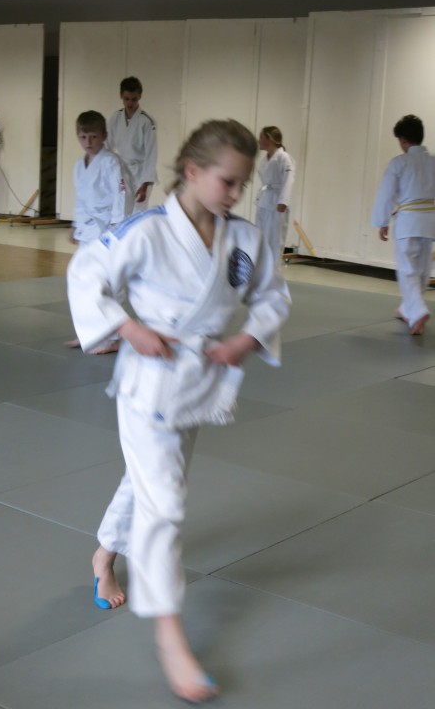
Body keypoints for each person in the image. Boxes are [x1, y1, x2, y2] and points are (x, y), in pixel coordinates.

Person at [67, 119, 290, 703]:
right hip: (148, 385)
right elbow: (86, 273)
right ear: (192, 171)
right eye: (227, 181)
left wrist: (247, 339)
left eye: (241, 184)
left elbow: (273, 295)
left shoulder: (243, 238)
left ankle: (103, 555)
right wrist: (127, 327)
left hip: (199, 385)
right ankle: (170, 635)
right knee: (164, 506)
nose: (235, 194)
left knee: (147, 484)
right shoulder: (145, 231)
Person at [64, 110, 132, 351]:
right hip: (87, 229)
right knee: (81, 280)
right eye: (83, 137)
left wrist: (117, 227)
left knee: (110, 282)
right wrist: (75, 224)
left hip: (108, 230)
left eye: (93, 136)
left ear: (104, 136)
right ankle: (88, 334)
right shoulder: (78, 166)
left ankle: (113, 338)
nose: (88, 142)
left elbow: (122, 194)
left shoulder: (112, 162)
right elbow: (81, 198)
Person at [372, 114, 435, 336]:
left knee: (408, 270)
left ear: (403, 140)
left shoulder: (399, 162)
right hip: (430, 222)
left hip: (408, 221)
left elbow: (386, 193)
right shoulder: (433, 161)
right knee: (422, 269)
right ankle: (408, 309)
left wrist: (382, 221)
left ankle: (418, 311)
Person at [107, 76, 157, 214]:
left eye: (134, 99)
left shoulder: (147, 120)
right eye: (126, 98)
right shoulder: (116, 117)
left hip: (141, 172)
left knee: (137, 214)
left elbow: (151, 154)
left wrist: (145, 184)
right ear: (121, 96)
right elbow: (107, 145)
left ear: (140, 96)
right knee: (122, 211)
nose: (130, 103)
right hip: (123, 172)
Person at [255, 125, 296, 267]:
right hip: (264, 201)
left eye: (261, 137)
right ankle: (261, 270)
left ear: (270, 139)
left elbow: (289, 179)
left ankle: (273, 271)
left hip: (276, 203)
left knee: (274, 240)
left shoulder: (283, 157)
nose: (259, 140)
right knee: (261, 238)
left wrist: (283, 201)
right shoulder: (265, 159)